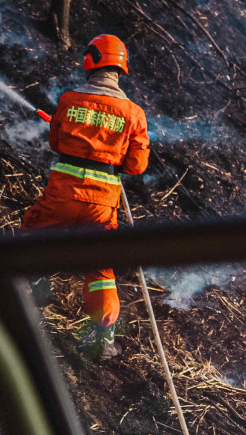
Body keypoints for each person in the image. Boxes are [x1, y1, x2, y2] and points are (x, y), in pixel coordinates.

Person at [21, 34, 151, 360]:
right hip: (103, 204)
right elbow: (136, 165)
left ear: (90, 61)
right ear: (121, 68)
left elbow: (56, 144)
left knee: (32, 232)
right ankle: (100, 338)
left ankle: (36, 285)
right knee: (100, 269)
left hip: (62, 193)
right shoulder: (134, 114)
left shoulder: (68, 100)